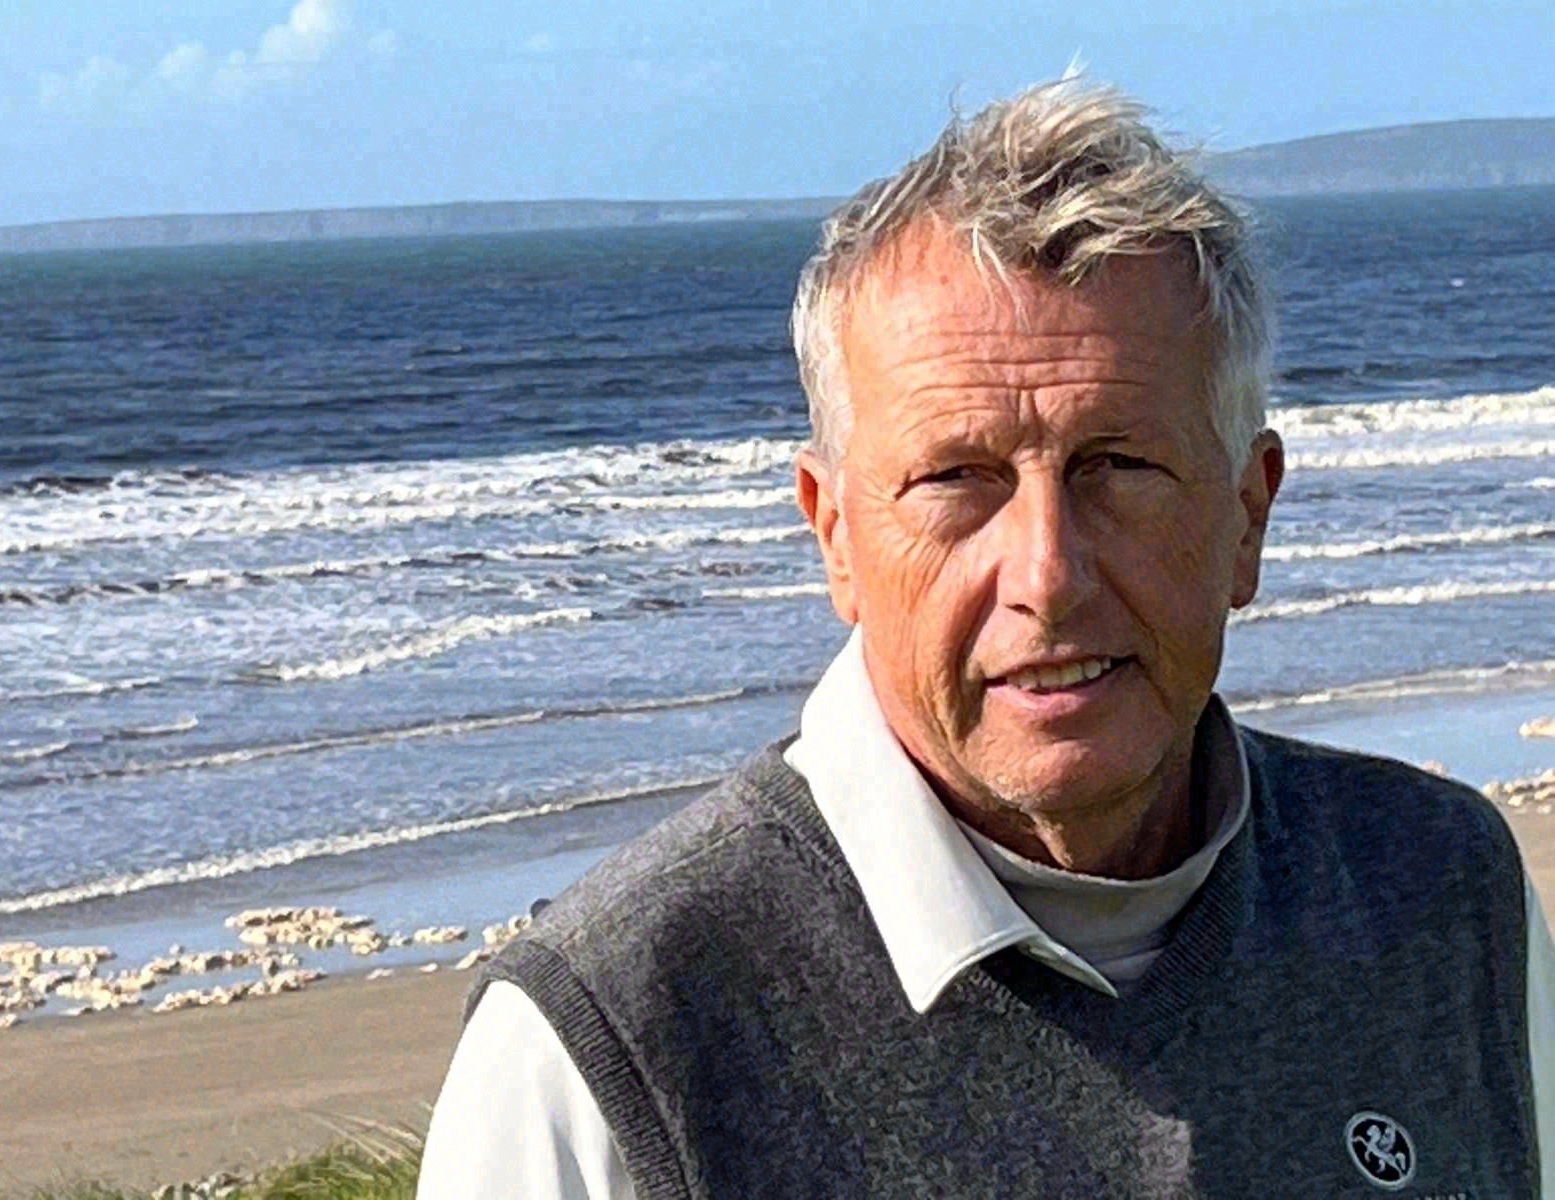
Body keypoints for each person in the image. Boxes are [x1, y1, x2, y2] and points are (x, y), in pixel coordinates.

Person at [418, 79, 1554, 1198]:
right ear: (835, 535)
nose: (1047, 576)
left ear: (1247, 513)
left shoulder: (1442, 895)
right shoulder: (609, 1040)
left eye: (1119, 466)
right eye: (957, 479)